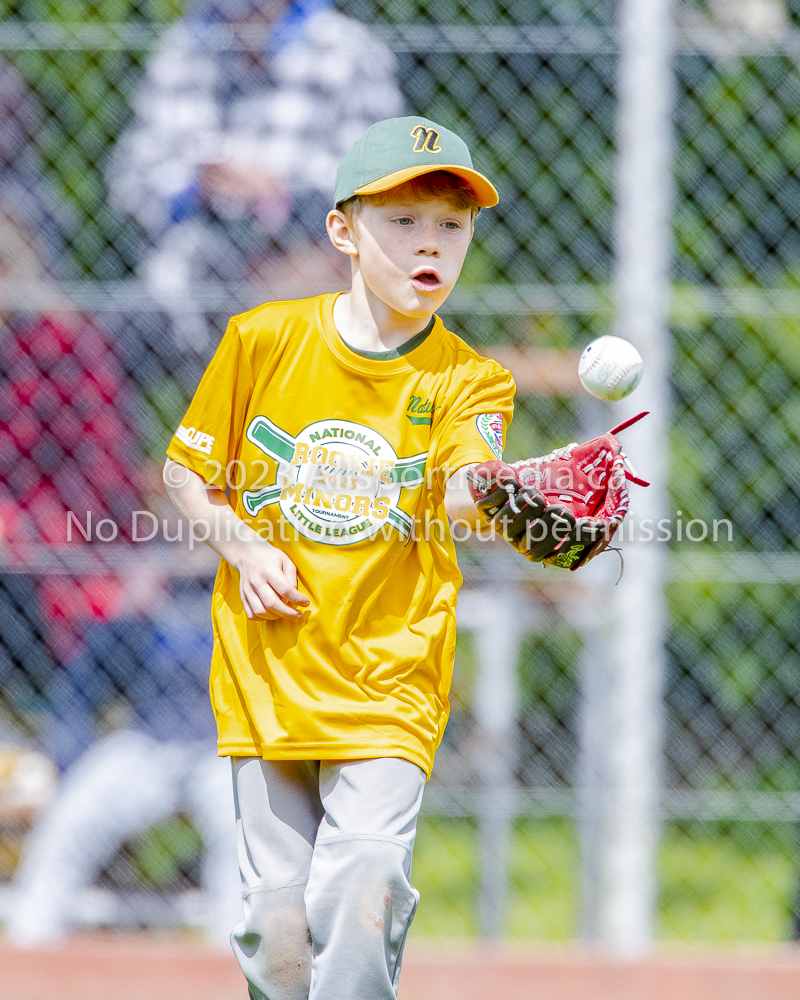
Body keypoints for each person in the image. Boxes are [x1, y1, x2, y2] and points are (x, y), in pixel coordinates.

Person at [163, 116, 632, 999]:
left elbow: (462, 487)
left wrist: (506, 493)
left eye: (452, 226)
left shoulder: (468, 381)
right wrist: (244, 541)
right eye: (404, 221)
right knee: (276, 922)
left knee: (365, 877)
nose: (432, 244)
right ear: (344, 231)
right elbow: (186, 473)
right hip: (269, 671)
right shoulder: (264, 341)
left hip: (389, 677)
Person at [108, 0, 403, 349]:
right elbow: (128, 181)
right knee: (118, 319)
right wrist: (194, 186)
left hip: (307, 252)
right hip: (192, 263)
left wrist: (278, 196)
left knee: (298, 293)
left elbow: (380, 187)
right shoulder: (182, 50)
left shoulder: (348, 51)